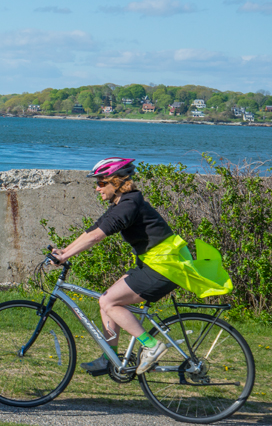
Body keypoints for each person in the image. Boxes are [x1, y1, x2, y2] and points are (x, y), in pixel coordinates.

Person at [50, 157, 191, 375]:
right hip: (153, 264)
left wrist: (66, 256)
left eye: (100, 182)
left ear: (115, 181)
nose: (97, 188)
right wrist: (65, 251)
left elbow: (97, 237)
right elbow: (94, 229)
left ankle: (152, 346)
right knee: (105, 298)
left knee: (109, 301)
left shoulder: (129, 204)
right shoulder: (124, 202)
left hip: (165, 267)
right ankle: (110, 358)